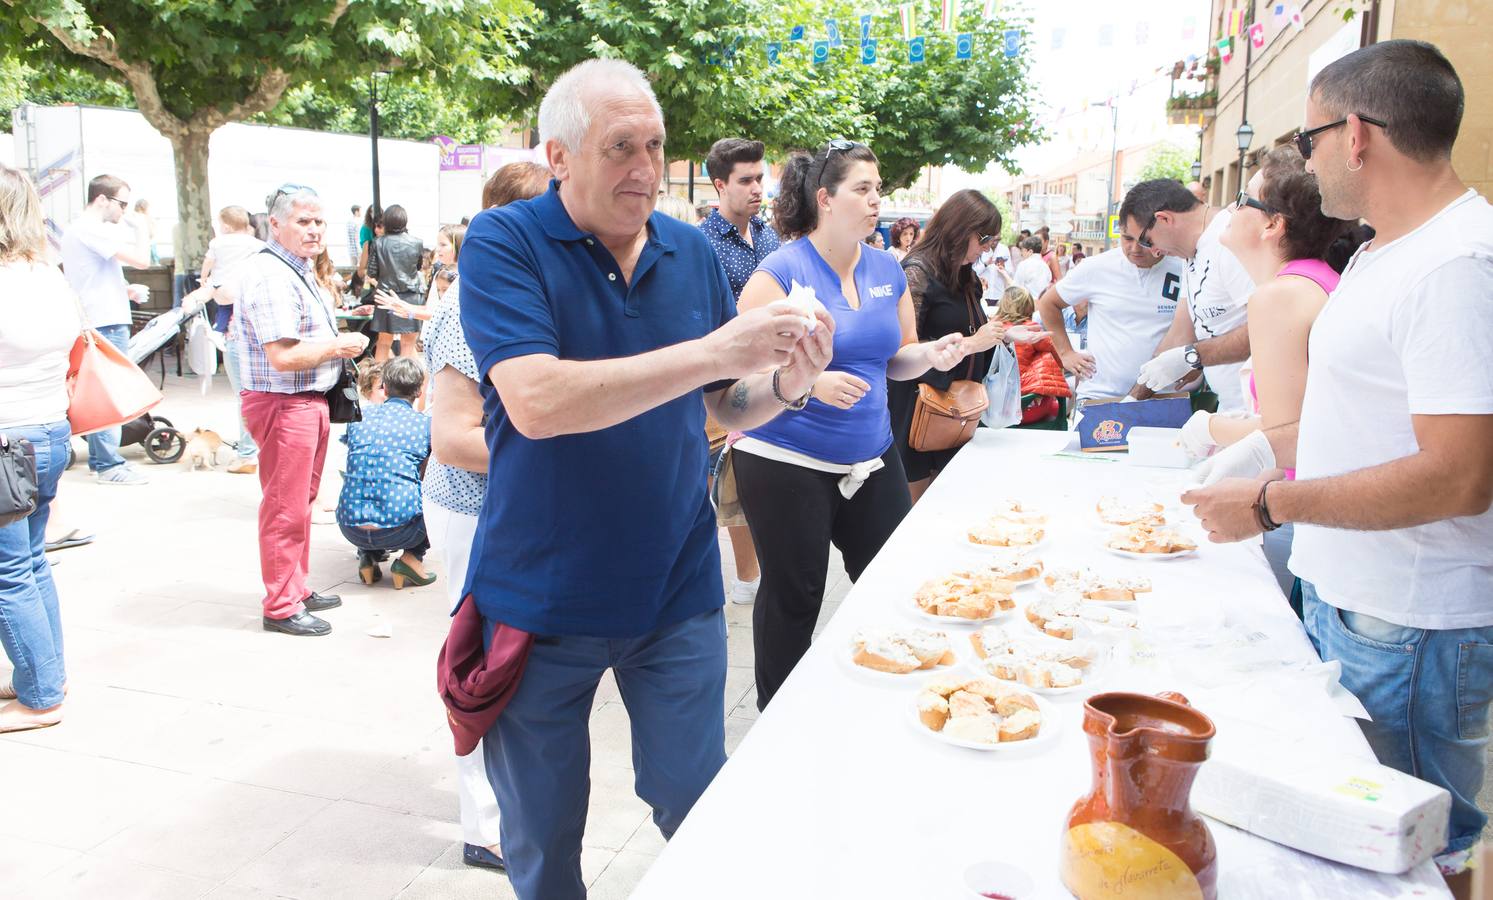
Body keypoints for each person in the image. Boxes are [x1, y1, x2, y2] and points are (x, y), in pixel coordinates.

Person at [458, 59, 834, 900]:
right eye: (618, 146)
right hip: (539, 597)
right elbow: (537, 402)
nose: (644, 168)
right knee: (544, 838)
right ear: (557, 155)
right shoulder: (503, 242)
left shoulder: (688, 253)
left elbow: (718, 406)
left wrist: (785, 383)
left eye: (655, 146)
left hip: (674, 587)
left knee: (698, 803)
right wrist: (716, 350)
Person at [1183, 41, 1493, 892]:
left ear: (1354, 134)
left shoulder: (1456, 263)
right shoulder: (1387, 250)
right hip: (1359, 605)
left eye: (1308, 136)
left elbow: (1459, 473)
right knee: (1350, 854)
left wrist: (1274, 503)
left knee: (1420, 860)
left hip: (1412, 624)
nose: (1306, 159)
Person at [731, 138, 967, 711]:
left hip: (872, 454)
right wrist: (811, 383)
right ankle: (779, 717)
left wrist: (932, 356)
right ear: (825, 199)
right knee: (797, 595)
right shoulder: (778, 273)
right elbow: (738, 380)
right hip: (786, 461)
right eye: (862, 189)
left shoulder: (888, 268)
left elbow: (896, 359)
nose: (875, 201)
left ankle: (890, 696)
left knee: (892, 580)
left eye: (878, 189)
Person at [424, 159, 550, 876]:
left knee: (517, 666)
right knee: (479, 667)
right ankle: (484, 824)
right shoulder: (463, 310)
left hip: (521, 512)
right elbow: (452, 440)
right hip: (473, 513)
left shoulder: (536, 295)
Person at [1180, 145, 1357, 597]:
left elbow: (1286, 435)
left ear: (1272, 224)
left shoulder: (1279, 296)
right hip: (1309, 508)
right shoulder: (1309, 279)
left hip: (1298, 511)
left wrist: (1210, 427)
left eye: (1243, 200)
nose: (1229, 211)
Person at [233, 185, 368, 637]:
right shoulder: (271, 274)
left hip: (304, 404)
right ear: (275, 224)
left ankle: (295, 586)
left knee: (300, 504)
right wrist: (339, 345)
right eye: (303, 222)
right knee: (285, 508)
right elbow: (284, 356)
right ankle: (282, 604)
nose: (314, 231)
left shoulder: (296, 268)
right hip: (285, 405)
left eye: (318, 222)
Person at [889, 189, 1042, 502]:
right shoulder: (917, 271)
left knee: (949, 506)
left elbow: (971, 329)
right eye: (984, 240)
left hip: (958, 409)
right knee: (917, 515)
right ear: (959, 229)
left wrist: (1004, 335)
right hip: (920, 409)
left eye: (992, 243)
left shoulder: (964, 275)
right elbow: (906, 349)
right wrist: (975, 342)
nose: (986, 250)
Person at [0, 165, 76, 733]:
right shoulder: (48, 274)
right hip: (47, 430)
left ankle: (41, 694)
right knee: (29, 561)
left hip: (8, 437)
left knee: (11, 572)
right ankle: (43, 674)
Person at [699, 137, 780, 605]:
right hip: (720, 383)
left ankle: (757, 574)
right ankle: (746, 579)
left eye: (760, 179)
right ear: (719, 185)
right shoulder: (702, 244)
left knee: (762, 476)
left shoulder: (768, 236)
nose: (757, 188)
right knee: (727, 480)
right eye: (745, 180)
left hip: (771, 376)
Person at [1123, 178, 1255, 412]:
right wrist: (1132, 399)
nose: (1153, 251)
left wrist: (1193, 357)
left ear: (1164, 219)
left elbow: (1267, 327)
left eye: (1146, 240)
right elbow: (1179, 335)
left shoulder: (1229, 240)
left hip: (1257, 408)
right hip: (1231, 407)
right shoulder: (1190, 252)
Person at [1035, 203, 1187, 404]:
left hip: (1165, 398)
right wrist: (1066, 352)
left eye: (1144, 240)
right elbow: (1048, 303)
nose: (1134, 248)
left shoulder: (1183, 268)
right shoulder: (1096, 267)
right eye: (1127, 238)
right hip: (1101, 396)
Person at [59, 173, 152, 486]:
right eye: (121, 203)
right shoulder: (90, 229)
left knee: (106, 391)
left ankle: (106, 461)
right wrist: (142, 228)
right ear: (102, 199)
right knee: (108, 394)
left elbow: (90, 278)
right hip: (103, 322)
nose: (124, 211)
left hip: (100, 317)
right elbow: (141, 259)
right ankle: (107, 464)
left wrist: (126, 291)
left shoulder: (82, 230)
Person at [336, 358, 436, 589]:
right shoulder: (423, 425)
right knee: (435, 488)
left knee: (367, 478)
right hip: (401, 530)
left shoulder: (359, 417)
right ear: (419, 391)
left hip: (350, 527)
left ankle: (368, 556)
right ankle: (412, 558)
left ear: (385, 387)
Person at [193, 205, 265, 474]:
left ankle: (247, 453)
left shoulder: (218, 244)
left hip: (235, 328)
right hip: (254, 330)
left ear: (223, 225)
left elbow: (209, 267)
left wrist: (203, 281)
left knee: (243, 395)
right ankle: (254, 448)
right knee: (256, 393)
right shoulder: (257, 247)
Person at [995, 286, 1071, 424]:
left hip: (993, 407)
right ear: (1029, 306)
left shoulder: (991, 329)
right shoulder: (1033, 331)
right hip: (1027, 408)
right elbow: (1059, 363)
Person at [366, 204, 425, 361]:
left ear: (386, 222)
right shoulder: (417, 242)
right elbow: (418, 267)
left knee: (384, 343)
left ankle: (377, 384)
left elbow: (371, 271)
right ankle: (408, 384)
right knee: (408, 345)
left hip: (386, 297)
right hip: (412, 296)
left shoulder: (378, 243)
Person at [994, 235, 1053, 299]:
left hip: (1028, 303)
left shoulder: (1024, 264)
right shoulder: (1045, 266)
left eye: (1022, 251)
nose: (1021, 254)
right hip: (1041, 303)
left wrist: (1004, 273)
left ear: (1030, 251)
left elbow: (1016, 288)